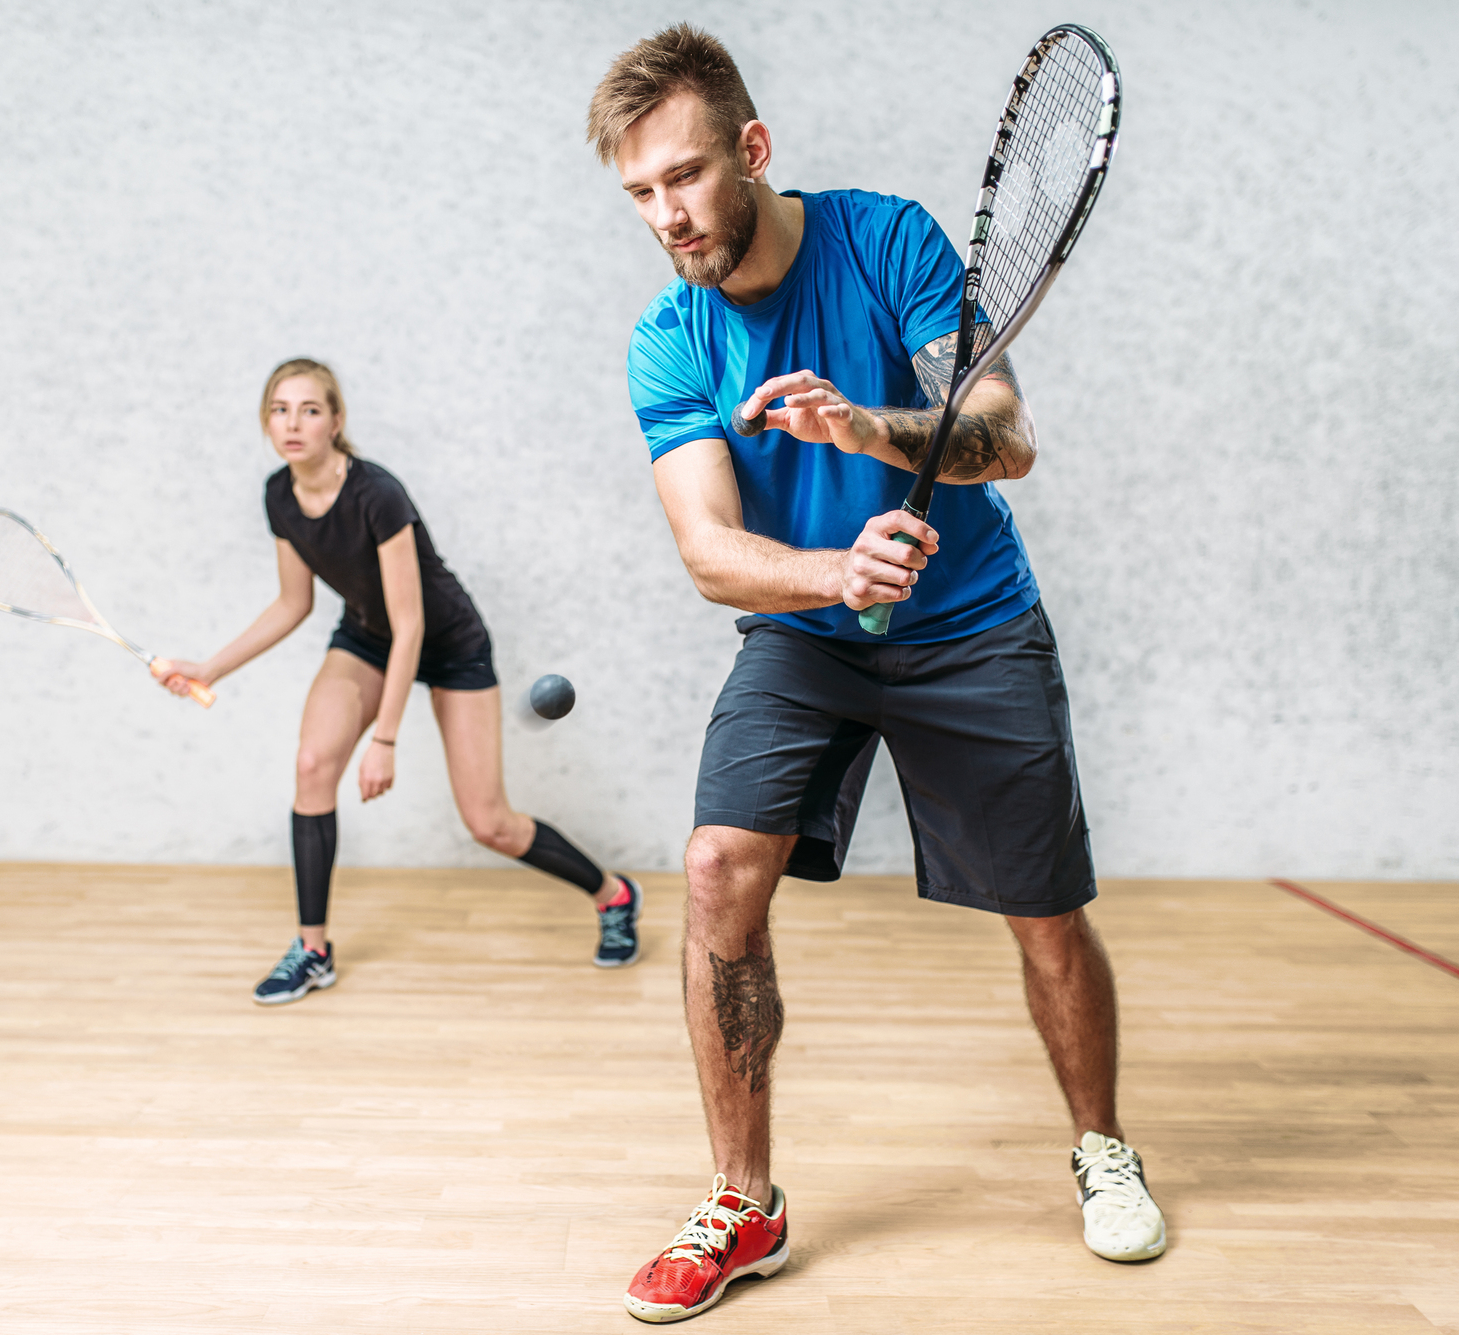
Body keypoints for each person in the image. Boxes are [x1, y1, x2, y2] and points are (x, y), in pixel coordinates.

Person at [587, 25, 1167, 1323]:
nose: (667, 214)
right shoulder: (670, 341)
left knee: (1046, 910)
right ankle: (746, 1199)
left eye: (684, 175)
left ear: (752, 148)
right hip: (806, 639)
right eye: (639, 191)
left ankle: (1102, 1144)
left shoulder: (887, 240)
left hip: (971, 622)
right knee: (717, 865)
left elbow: (1003, 438)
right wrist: (833, 574)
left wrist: (867, 424)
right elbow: (712, 553)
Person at [154, 358, 641, 1002]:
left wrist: (384, 740)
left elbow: (411, 625)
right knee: (311, 765)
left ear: (337, 421)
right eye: (279, 410)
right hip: (365, 638)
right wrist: (209, 667)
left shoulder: (376, 494)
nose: (293, 423)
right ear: (265, 422)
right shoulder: (279, 494)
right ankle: (313, 949)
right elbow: (292, 604)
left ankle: (614, 895)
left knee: (489, 823)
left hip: (449, 645)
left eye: (310, 409)